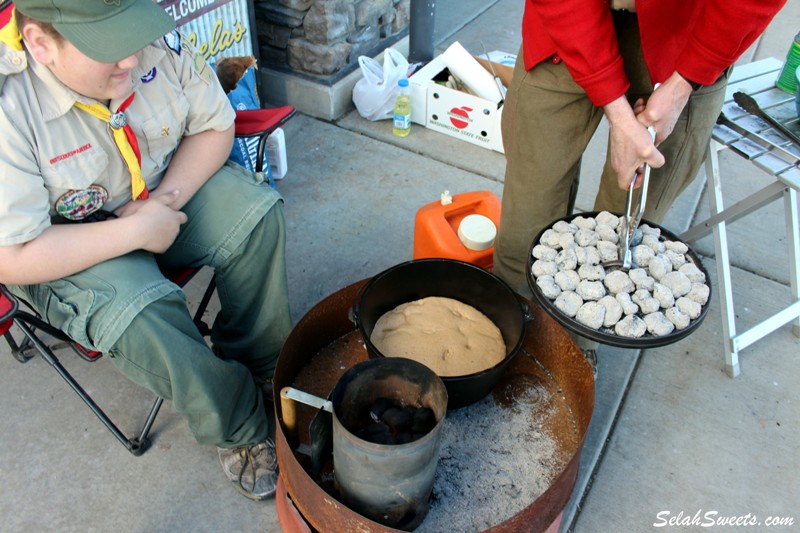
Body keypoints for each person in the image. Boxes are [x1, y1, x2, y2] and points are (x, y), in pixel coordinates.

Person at [0, 0, 292, 501]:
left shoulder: (151, 43)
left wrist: (164, 204)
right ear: (41, 44)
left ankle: (265, 364)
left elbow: (214, 125)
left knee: (254, 214)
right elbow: (14, 254)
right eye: (108, 47)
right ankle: (239, 422)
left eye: (132, 34)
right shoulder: (9, 106)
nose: (132, 59)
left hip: (160, 193)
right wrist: (134, 234)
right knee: (143, 314)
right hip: (66, 245)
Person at [493, 0, 787, 300]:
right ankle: (516, 324)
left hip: (690, 34)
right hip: (569, 21)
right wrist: (619, 116)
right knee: (527, 218)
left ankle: (580, 343)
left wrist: (682, 86)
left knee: (623, 235)